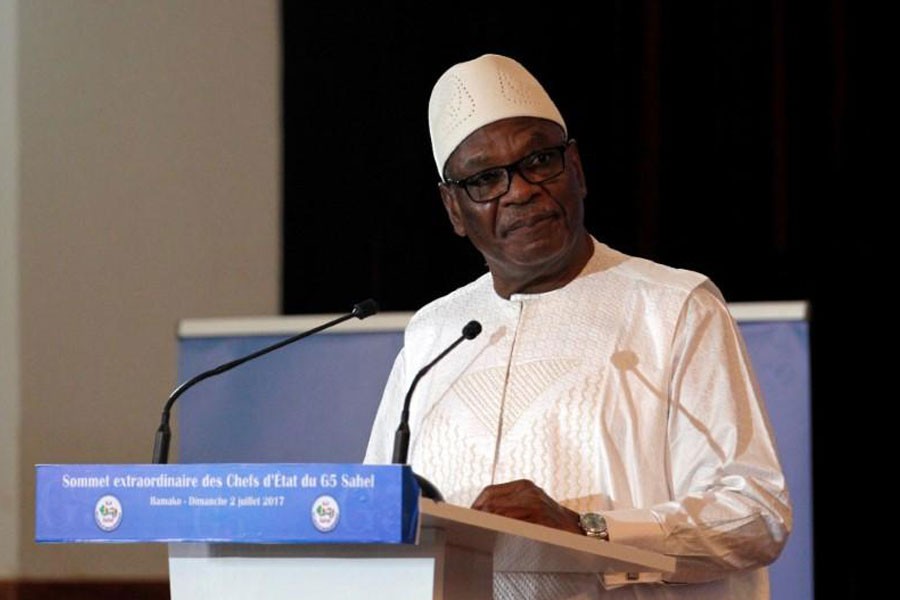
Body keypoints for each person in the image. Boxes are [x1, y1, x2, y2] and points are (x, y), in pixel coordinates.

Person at [364, 53, 791, 599]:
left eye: (538, 160)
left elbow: (755, 514)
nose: (519, 190)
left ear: (577, 170)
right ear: (453, 208)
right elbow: (375, 518)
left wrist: (588, 531)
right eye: (485, 179)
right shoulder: (434, 335)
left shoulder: (675, 306)